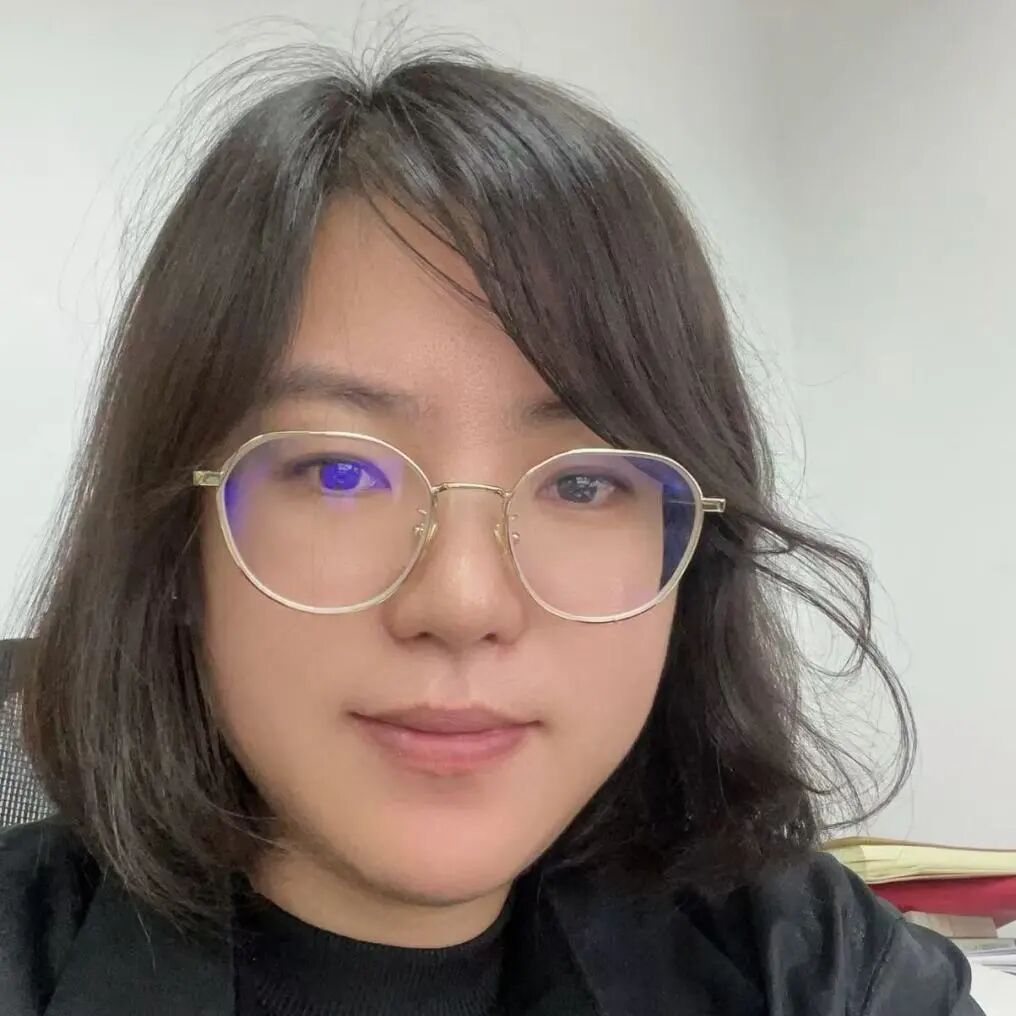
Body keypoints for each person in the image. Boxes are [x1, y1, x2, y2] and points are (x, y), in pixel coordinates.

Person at [0, 47, 983, 1016]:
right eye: (339, 471)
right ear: (179, 546)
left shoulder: (810, 960)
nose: (463, 599)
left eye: (586, 482)